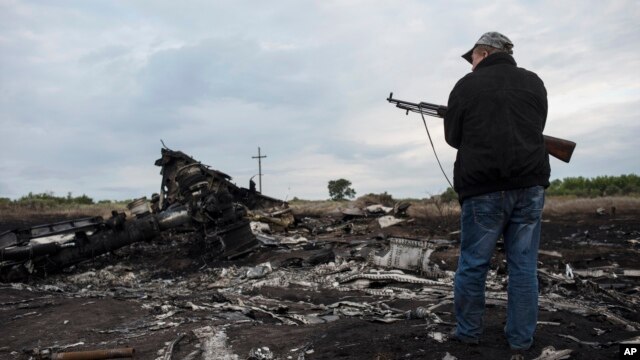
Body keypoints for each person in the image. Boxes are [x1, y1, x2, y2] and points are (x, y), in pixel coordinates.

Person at [443, 32, 550, 350]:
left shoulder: (466, 85)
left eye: (473, 58)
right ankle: (520, 340)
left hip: (483, 188)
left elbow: (453, 137)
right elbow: (537, 125)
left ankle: (468, 333)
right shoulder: (534, 81)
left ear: (484, 54)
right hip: (530, 185)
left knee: (473, 264)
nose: (471, 64)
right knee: (524, 266)